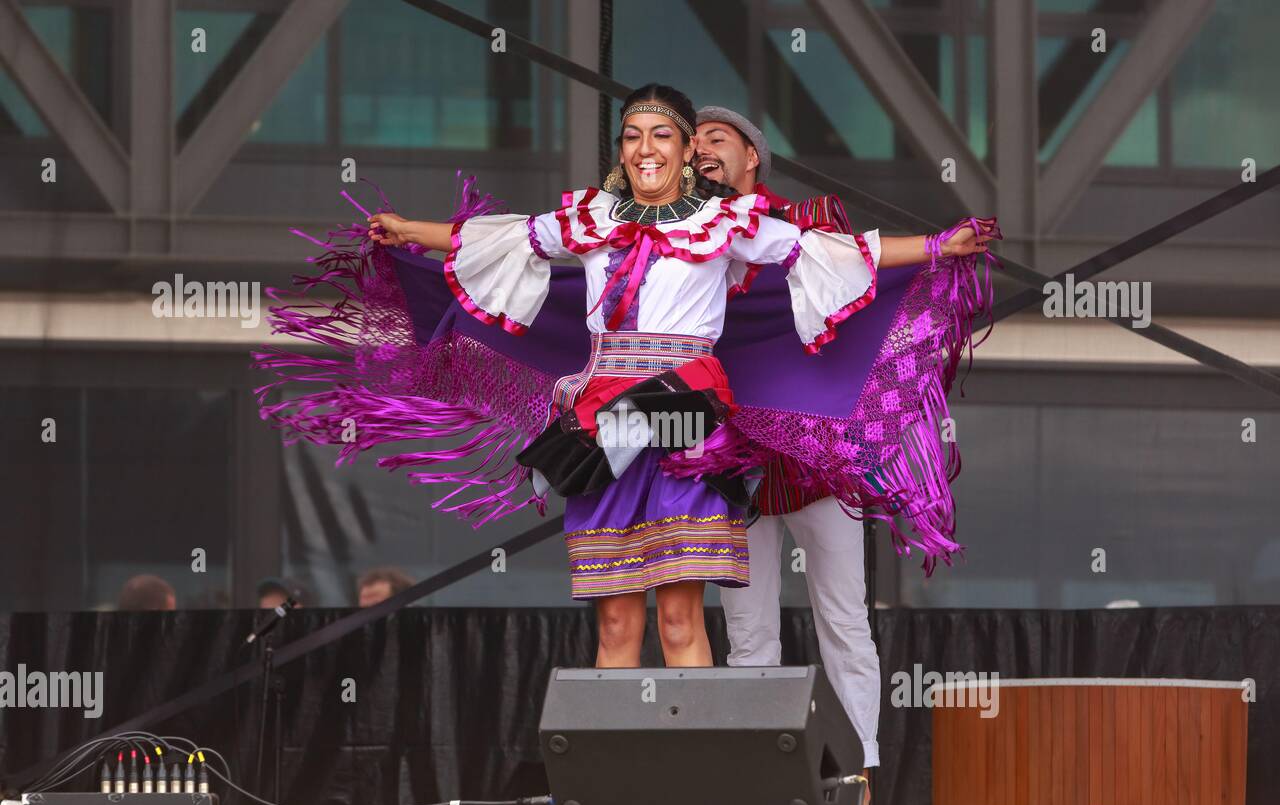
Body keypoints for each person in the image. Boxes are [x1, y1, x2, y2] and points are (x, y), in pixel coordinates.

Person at [361, 83, 990, 672]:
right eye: (632, 135)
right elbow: (502, 240)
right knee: (613, 621)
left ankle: (690, 780)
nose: (645, 148)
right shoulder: (591, 218)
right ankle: (615, 786)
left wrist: (938, 248)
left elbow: (833, 253)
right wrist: (408, 232)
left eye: (661, 135)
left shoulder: (722, 223)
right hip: (603, 414)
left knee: (682, 618)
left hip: (683, 410)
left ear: (688, 149)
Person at [694, 105, 882, 805]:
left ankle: (860, 782)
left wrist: (934, 254)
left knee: (844, 620)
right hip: (725, 457)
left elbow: (865, 272)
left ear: (753, 160)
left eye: (719, 139)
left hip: (814, 456)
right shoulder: (676, 239)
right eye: (696, 142)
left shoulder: (805, 231)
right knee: (748, 638)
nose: (703, 149)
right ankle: (758, 790)